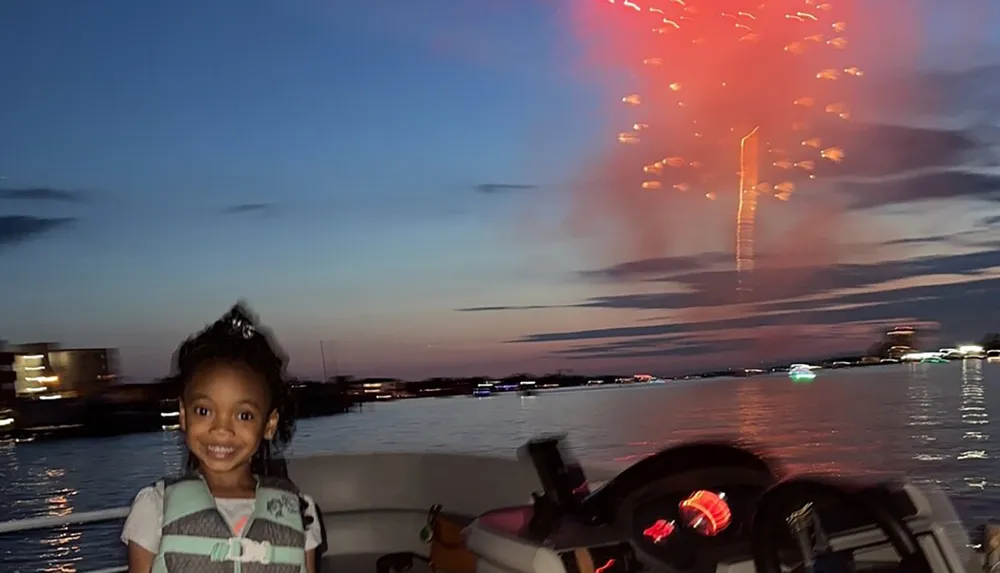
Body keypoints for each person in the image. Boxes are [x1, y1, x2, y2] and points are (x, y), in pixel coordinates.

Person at [121, 303, 322, 573]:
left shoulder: (300, 512)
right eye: (204, 411)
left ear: (269, 424)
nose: (221, 429)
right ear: (183, 415)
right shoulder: (154, 507)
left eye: (244, 415)